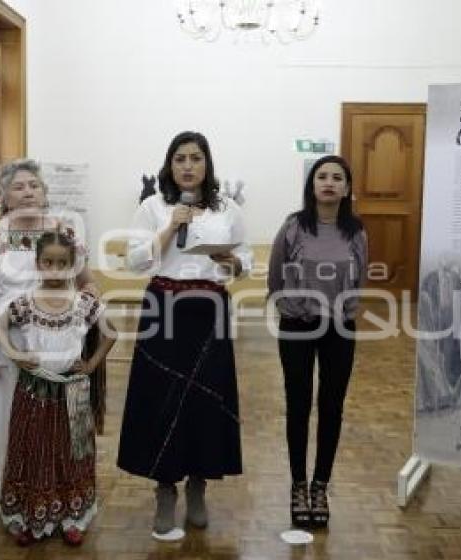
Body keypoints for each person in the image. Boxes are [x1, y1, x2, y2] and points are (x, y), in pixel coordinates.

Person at [117, 131, 251, 537]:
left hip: (209, 309)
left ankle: (198, 486)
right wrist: (168, 227)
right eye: (180, 159)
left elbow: (243, 260)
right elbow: (137, 263)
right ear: (169, 164)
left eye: (196, 158)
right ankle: (165, 488)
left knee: (206, 398)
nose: (188, 165)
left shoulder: (226, 207)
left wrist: (230, 260)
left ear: (207, 163)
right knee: (160, 397)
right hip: (164, 307)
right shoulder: (152, 206)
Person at [0, 158, 98, 502]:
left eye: (34, 186)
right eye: (18, 186)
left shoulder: (64, 232)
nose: (28, 192)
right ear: (4, 198)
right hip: (9, 345)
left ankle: (58, 493)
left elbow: (88, 284)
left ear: (45, 193)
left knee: (56, 420)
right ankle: (14, 496)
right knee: (8, 418)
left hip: (57, 341)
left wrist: (83, 308)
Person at [0, 230, 115, 546]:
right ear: (38, 263)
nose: (55, 269)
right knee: (31, 452)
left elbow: (111, 333)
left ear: (73, 266)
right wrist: (17, 355)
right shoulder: (26, 303)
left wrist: (90, 366)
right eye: (48, 262)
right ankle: (28, 515)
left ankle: (73, 517)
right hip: (33, 393)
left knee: (74, 454)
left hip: (73, 393)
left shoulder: (84, 303)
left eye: (63, 264)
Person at [267, 155, 367, 529]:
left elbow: (360, 280)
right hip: (297, 326)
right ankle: (297, 484)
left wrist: (342, 312)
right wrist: (291, 307)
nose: (329, 182)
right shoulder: (294, 226)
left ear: (346, 187)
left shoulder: (356, 231)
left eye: (337, 177)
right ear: (312, 185)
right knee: (298, 404)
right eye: (322, 176)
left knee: (332, 406)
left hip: (339, 327)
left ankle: (320, 485)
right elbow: (275, 277)